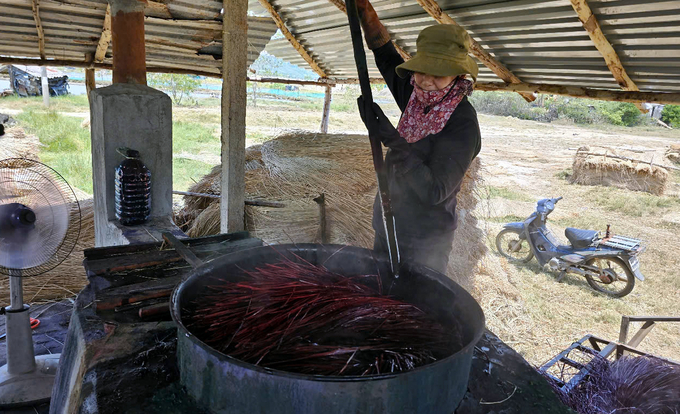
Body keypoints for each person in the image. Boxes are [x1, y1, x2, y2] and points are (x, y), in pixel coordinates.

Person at [356, 0, 481, 274]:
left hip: (425, 241)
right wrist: (365, 12)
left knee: (416, 310)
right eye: (421, 69)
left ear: (458, 74)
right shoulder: (416, 96)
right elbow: (385, 54)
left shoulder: (462, 123)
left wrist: (393, 141)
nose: (426, 80)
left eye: (438, 74)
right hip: (389, 224)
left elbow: (434, 191)